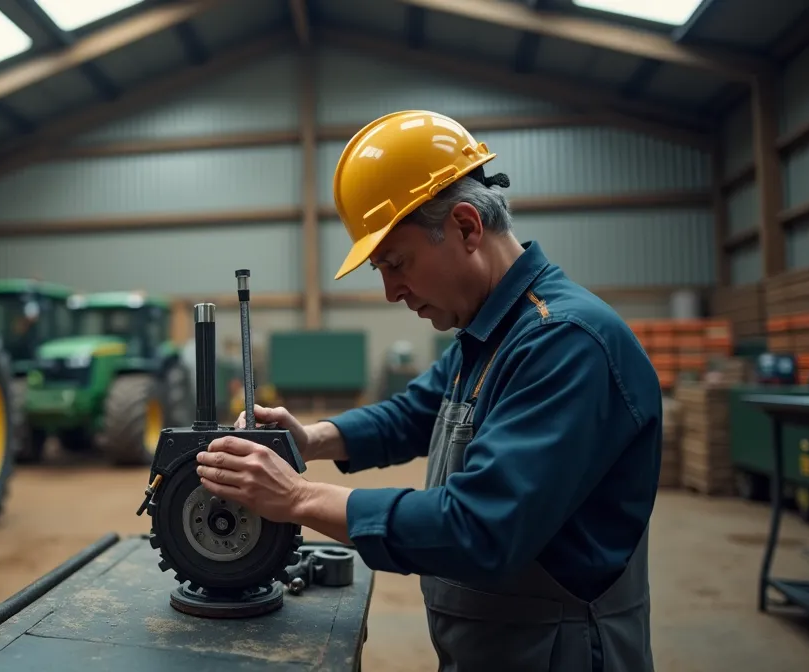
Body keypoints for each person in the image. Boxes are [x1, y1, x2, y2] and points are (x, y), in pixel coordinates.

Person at [193, 110, 662, 672]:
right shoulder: (490, 332)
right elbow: (413, 414)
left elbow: (479, 528)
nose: (391, 291)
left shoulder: (564, 343)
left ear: (466, 227)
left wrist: (297, 498)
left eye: (396, 262)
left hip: (559, 654)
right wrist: (309, 438)